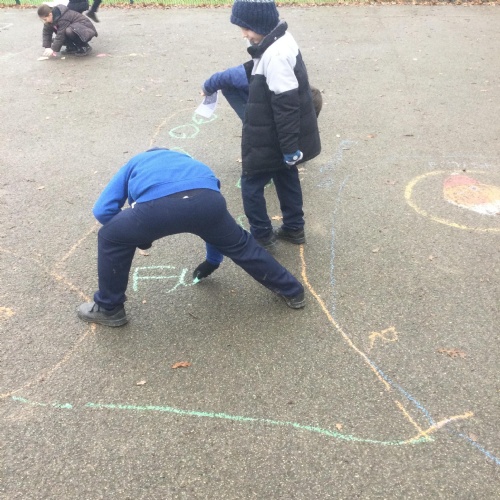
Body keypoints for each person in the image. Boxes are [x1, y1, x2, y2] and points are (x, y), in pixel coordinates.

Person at [77, 148, 306, 327]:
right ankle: (293, 291)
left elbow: (103, 211)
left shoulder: (136, 162)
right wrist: (212, 261)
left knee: (110, 237)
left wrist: (137, 236)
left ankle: (109, 308)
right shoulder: (191, 162)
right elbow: (209, 222)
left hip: (157, 208)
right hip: (208, 202)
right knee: (243, 246)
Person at [221, 0, 321, 251]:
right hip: (279, 133)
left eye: (246, 28)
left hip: (270, 134)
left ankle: (262, 236)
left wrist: (289, 148)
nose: (244, 34)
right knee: (286, 176)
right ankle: (294, 227)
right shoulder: (280, 38)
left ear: (260, 24)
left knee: (251, 184)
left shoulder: (276, 55)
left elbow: (286, 105)